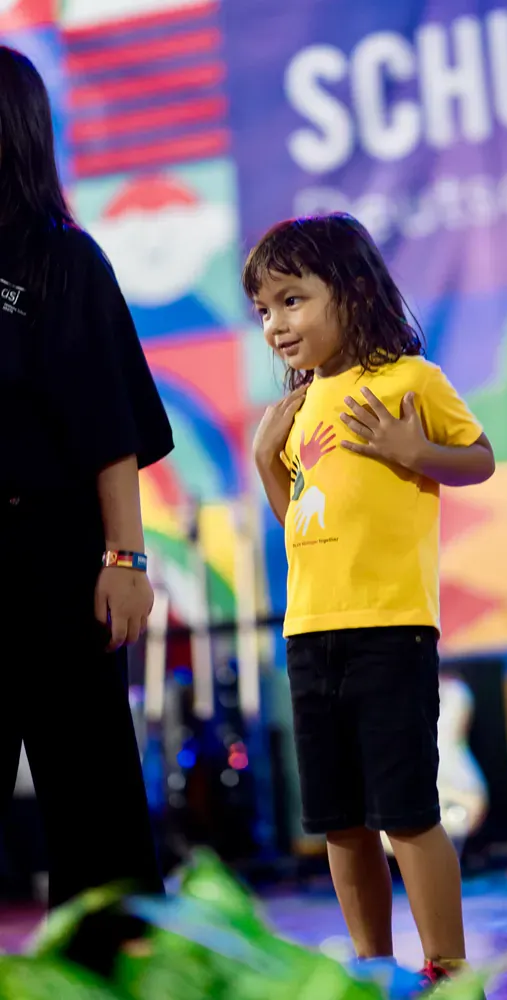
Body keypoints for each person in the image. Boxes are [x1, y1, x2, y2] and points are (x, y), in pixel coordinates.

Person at [245, 214, 495, 992]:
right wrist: (264, 460)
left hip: (390, 631)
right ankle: (369, 967)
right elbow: (305, 529)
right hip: (309, 635)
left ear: (351, 292)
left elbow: (478, 458)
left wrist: (413, 453)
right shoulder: (295, 408)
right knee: (337, 822)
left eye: (291, 300)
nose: (275, 325)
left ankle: (448, 969)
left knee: (407, 812)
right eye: (263, 311)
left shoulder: (409, 381)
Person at [0, 46, 173, 908]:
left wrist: (126, 560)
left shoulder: (64, 260)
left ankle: (123, 972)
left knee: (93, 797)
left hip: (55, 553)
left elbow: (111, 429)